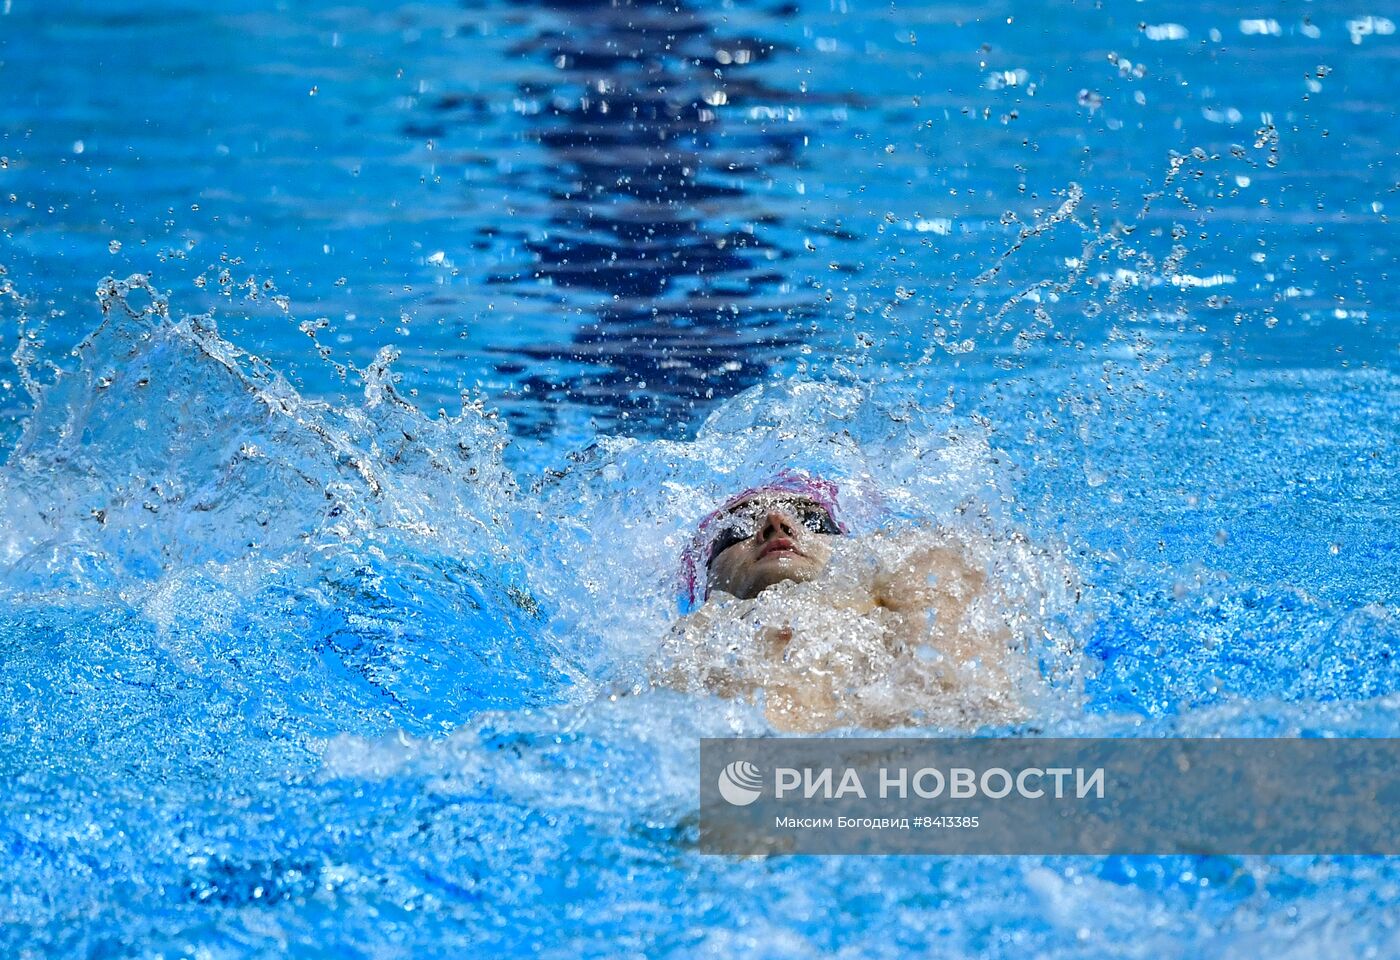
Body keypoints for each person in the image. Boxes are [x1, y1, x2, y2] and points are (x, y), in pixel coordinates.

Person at [655, 471, 1048, 732]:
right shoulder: (691, 650)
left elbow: (983, 707)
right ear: (706, 585)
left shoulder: (913, 593)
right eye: (737, 529)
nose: (776, 522)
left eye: (813, 520)